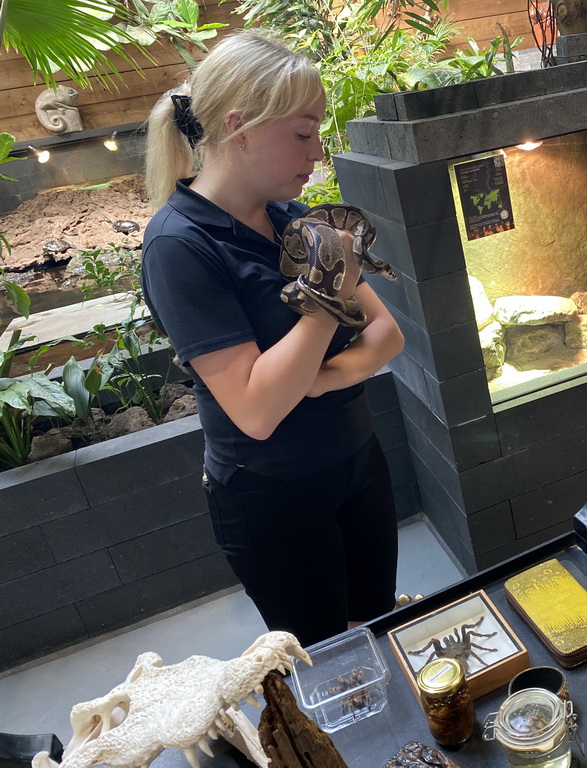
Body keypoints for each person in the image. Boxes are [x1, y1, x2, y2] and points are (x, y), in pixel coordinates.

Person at [141, 31, 405, 649]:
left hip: (358, 463)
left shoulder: (294, 217)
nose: (317, 151)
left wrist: (319, 381)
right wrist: (325, 300)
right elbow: (257, 411)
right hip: (273, 498)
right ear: (241, 126)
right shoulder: (180, 245)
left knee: (378, 630)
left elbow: (387, 334)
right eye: (303, 132)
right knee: (325, 662)